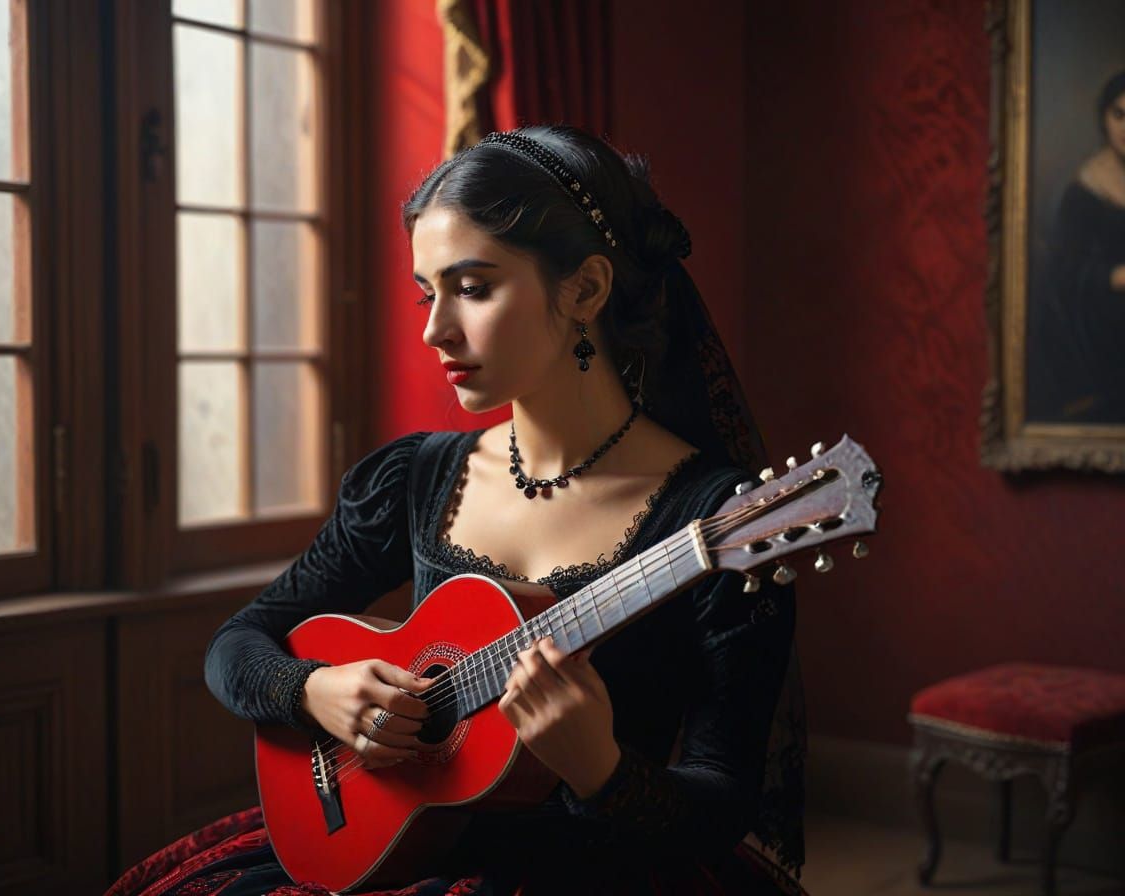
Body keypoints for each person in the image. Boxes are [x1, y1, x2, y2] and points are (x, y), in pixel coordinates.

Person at [106, 125, 805, 896]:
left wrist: (600, 769)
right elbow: (237, 644)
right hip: (392, 847)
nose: (436, 329)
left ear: (586, 289)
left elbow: (722, 806)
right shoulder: (415, 478)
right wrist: (314, 693)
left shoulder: (718, 522)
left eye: (472, 288)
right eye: (426, 292)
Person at [1027, 69, 1125, 424]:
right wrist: (1116, 277)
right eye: (1119, 114)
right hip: (1101, 322)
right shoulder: (1083, 191)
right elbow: (1064, 274)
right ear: (1104, 117)